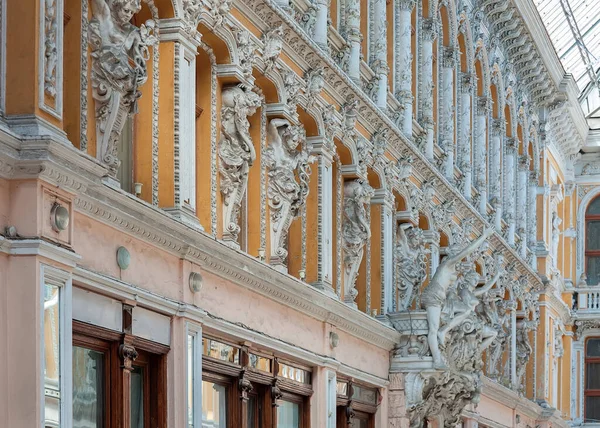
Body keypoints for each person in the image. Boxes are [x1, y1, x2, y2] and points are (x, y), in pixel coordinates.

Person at [421, 228, 495, 368]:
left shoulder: (452, 270)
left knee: (466, 310)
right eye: (456, 254)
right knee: (433, 329)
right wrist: (483, 236)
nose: (458, 257)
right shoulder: (448, 264)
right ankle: (437, 359)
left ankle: (444, 331)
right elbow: (467, 251)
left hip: (443, 301)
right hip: (432, 297)